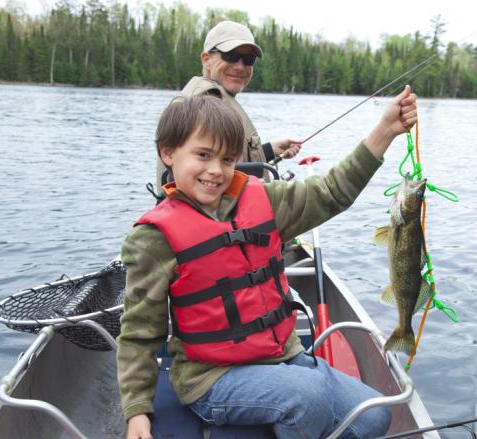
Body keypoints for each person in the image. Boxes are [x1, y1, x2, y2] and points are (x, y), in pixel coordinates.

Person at [119, 85, 418, 439]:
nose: (215, 171)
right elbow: (139, 335)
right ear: (168, 153)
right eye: (203, 155)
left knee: (374, 418)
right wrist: (136, 411)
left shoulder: (265, 200)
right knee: (308, 399)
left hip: (280, 355)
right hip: (211, 379)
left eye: (227, 160)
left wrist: (385, 130)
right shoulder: (153, 238)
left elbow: (331, 192)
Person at [156, 20, 301, 187]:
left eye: (248, 59)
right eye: (230, 56)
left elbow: (223, 161)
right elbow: (213, 178)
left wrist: (268, 151)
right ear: (206, 59)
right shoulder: (204, 105)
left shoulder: (218, 98)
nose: (240, 66)